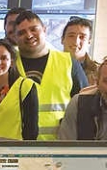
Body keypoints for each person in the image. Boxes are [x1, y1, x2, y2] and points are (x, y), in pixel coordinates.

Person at [13, 10, 87, 140]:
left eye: (33, 29)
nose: (29, 35)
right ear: (15, 37)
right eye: (21, 32)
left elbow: (85, 107)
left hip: (58, 147)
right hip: (15, 147)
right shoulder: (8, 64)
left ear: (44, 30)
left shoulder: (68, 63)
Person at [62, 17, 100, 87]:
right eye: (71, 36)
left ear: (89, 42)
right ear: (62, 39)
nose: (76, 42)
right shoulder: (49, 66)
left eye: (82, 37)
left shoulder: (99, 72)